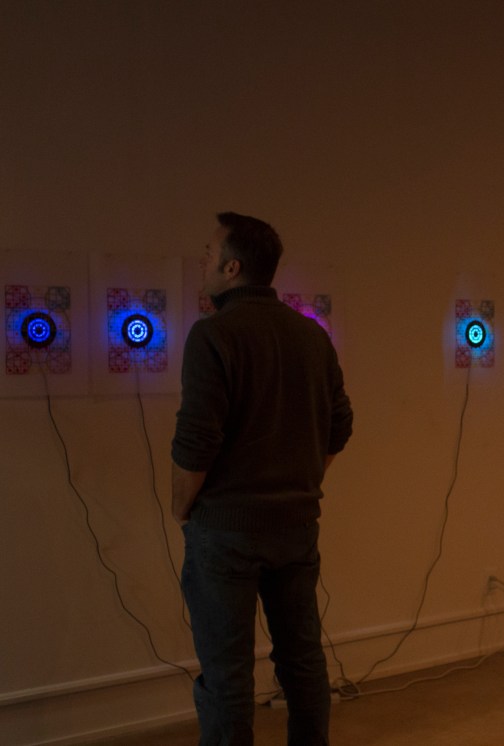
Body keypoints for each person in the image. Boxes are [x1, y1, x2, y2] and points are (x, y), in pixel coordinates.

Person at [171, 211, 353, 746]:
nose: (202, 262)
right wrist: (299, 481)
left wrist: (182, 507)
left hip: (225, 532)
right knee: (302, 660)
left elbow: (196, 441)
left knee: (227, 674)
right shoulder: (311, 336)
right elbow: (340, 426)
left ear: (232, 268)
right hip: (295, 526)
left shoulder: (212, 336)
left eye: (209, 254)